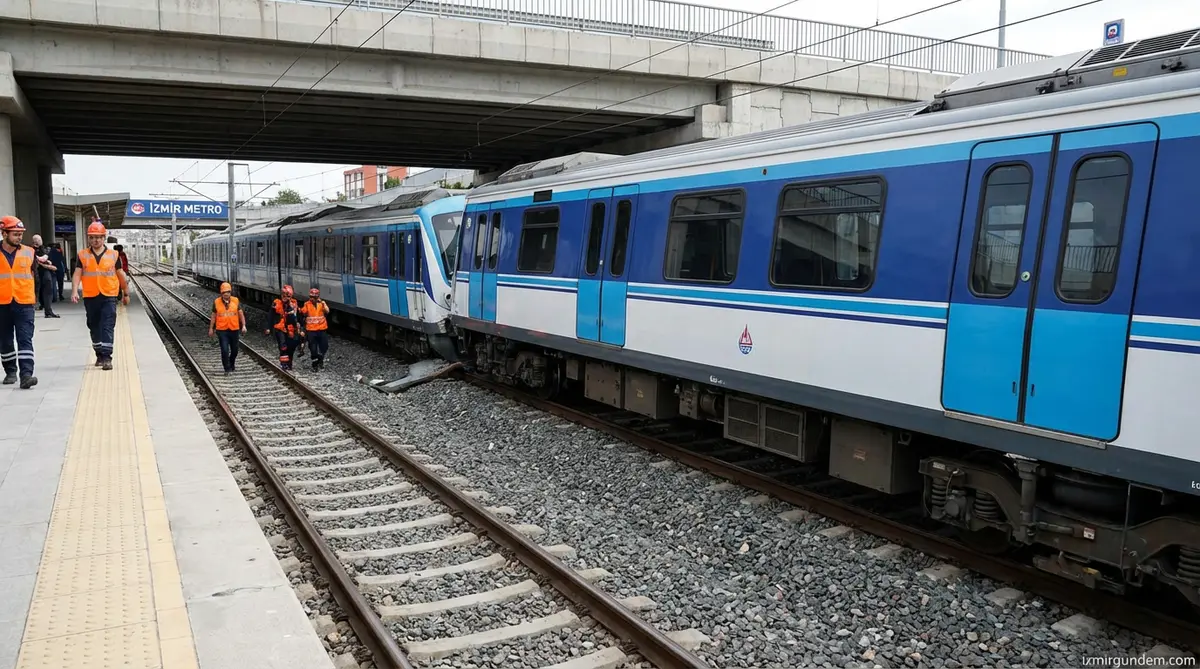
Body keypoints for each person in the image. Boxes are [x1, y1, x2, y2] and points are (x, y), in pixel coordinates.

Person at [72, 220, 129, 370]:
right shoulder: (82, 255)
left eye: (98, 237)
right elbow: (77, 274)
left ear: (104, 238)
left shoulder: (113, 255)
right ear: (88, 238)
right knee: (94, 325)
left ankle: (107, 357)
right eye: (92, 237)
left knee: (107, 326)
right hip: (91, 296)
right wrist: (74, 291)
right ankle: (98, 353)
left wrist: (126, 293)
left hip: (109, 295)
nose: (95, 240)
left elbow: (120, 274)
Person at [0, 216, 37, 389]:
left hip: (24, 303)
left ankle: (26, 375)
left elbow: (33, 275)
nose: (19, 237)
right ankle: (10, 371)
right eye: (15, 234)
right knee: (5, 340)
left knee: (25, 339)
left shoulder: (29, 252)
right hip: (2, 303)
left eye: (21, 234)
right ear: (4, 233)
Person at [208, 282, 246, 375]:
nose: (226, 294)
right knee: (224, 350)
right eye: (224, 292)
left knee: (235, 350)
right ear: (221, 293)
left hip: (234, 329)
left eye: (228, 292)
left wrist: (244, 325)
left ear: (230, 292)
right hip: (222, 330)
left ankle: (231, 363)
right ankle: (227, 368)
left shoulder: (236, 301)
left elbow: (240, 314)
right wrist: (211, 328)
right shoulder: (216, 302)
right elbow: (213, 315)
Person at [267, 285, 303, 371]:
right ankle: (284, 364)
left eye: (287, 296)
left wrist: (301, 328)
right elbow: (271, 315)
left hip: (291, 329)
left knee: (291, 347)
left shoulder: (294, 304)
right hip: (279, 328)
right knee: (283, 346)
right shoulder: (276, 303)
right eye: (283, 295)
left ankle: (289, 363)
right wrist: (268, 327)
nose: (285, 297)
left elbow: (299, 316)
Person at [299, 288, 330, 371]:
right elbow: (303, 312)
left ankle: (320, 359)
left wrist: (323, 304)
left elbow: (327, 311)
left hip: (322, 329)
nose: (313, 299)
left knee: (324, 346)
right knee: (313, 349)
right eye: (311, 297)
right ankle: (315, 365)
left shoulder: (322, 304)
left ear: (318, 297)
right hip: (311, 331)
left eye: (315, 297)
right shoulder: (307, 304)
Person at [31, 236, 58, 318]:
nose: (39, 241)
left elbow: (43, 258)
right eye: (37, 240)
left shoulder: (44, 249)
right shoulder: (31, 250)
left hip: (45, 272)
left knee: (48, 291)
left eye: (39, 239)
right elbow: (42, 259)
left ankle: (48, 311)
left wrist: (43, 261)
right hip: (37, 273)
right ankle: (44, 309)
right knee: (38, 292)